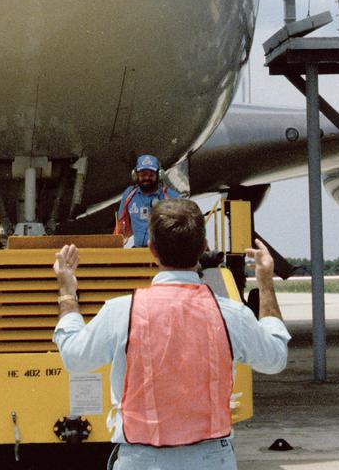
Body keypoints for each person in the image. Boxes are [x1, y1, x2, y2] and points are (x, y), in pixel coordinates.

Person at [54, 198, 289, 468]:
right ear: (203, 247)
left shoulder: (121, 312)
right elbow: (275, 358)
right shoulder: (230, 314)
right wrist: (265, 283)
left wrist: (67, 292)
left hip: (142, 459)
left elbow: (74, 358)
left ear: (152, 249)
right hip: (211, 459)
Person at [114, 155, 180, 247]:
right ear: (135, 176)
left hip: (164, 252)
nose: (146, 178)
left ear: (159, 175)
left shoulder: (172, 197)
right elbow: (120, 226)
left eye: (151, 175)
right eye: (143, 175)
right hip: (139, 251)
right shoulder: (129, 194)